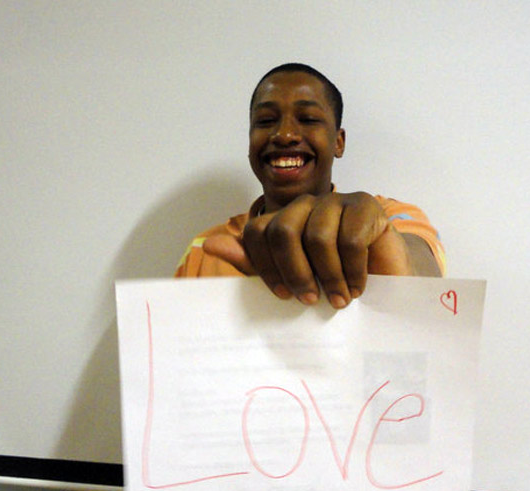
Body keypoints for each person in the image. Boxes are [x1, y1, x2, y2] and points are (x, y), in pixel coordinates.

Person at [175, 63, 445, 308]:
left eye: (308, 119)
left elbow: (428, 279)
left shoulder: (384, 218)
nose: (284, 135)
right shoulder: (207, 246)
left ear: (338, 142)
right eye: (266, 121)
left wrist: (385, 251)